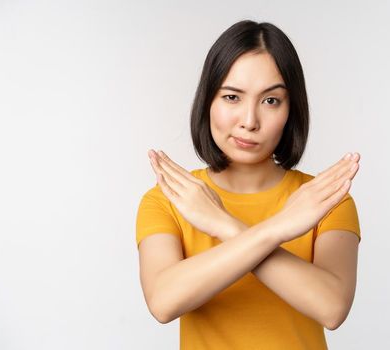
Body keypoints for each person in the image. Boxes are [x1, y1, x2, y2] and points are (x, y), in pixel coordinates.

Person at [135, 19, 362, 350]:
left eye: (270, 101)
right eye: (231, 97)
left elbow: (332, 307)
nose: (249, 121)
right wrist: (277, 230)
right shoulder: (170, 199)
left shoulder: (325, 199)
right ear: (208, 101)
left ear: (291, 110)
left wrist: (222, 224)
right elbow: (163, 301)